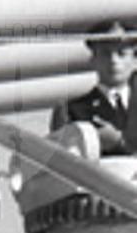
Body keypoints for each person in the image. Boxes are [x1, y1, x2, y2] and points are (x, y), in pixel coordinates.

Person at [50, 24, 135, 154]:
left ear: (135, 61)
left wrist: (119, 143)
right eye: (105, 54)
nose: (113, 61)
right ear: (93, 60)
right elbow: (62, 159)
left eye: (121, 54)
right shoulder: (71, 111)